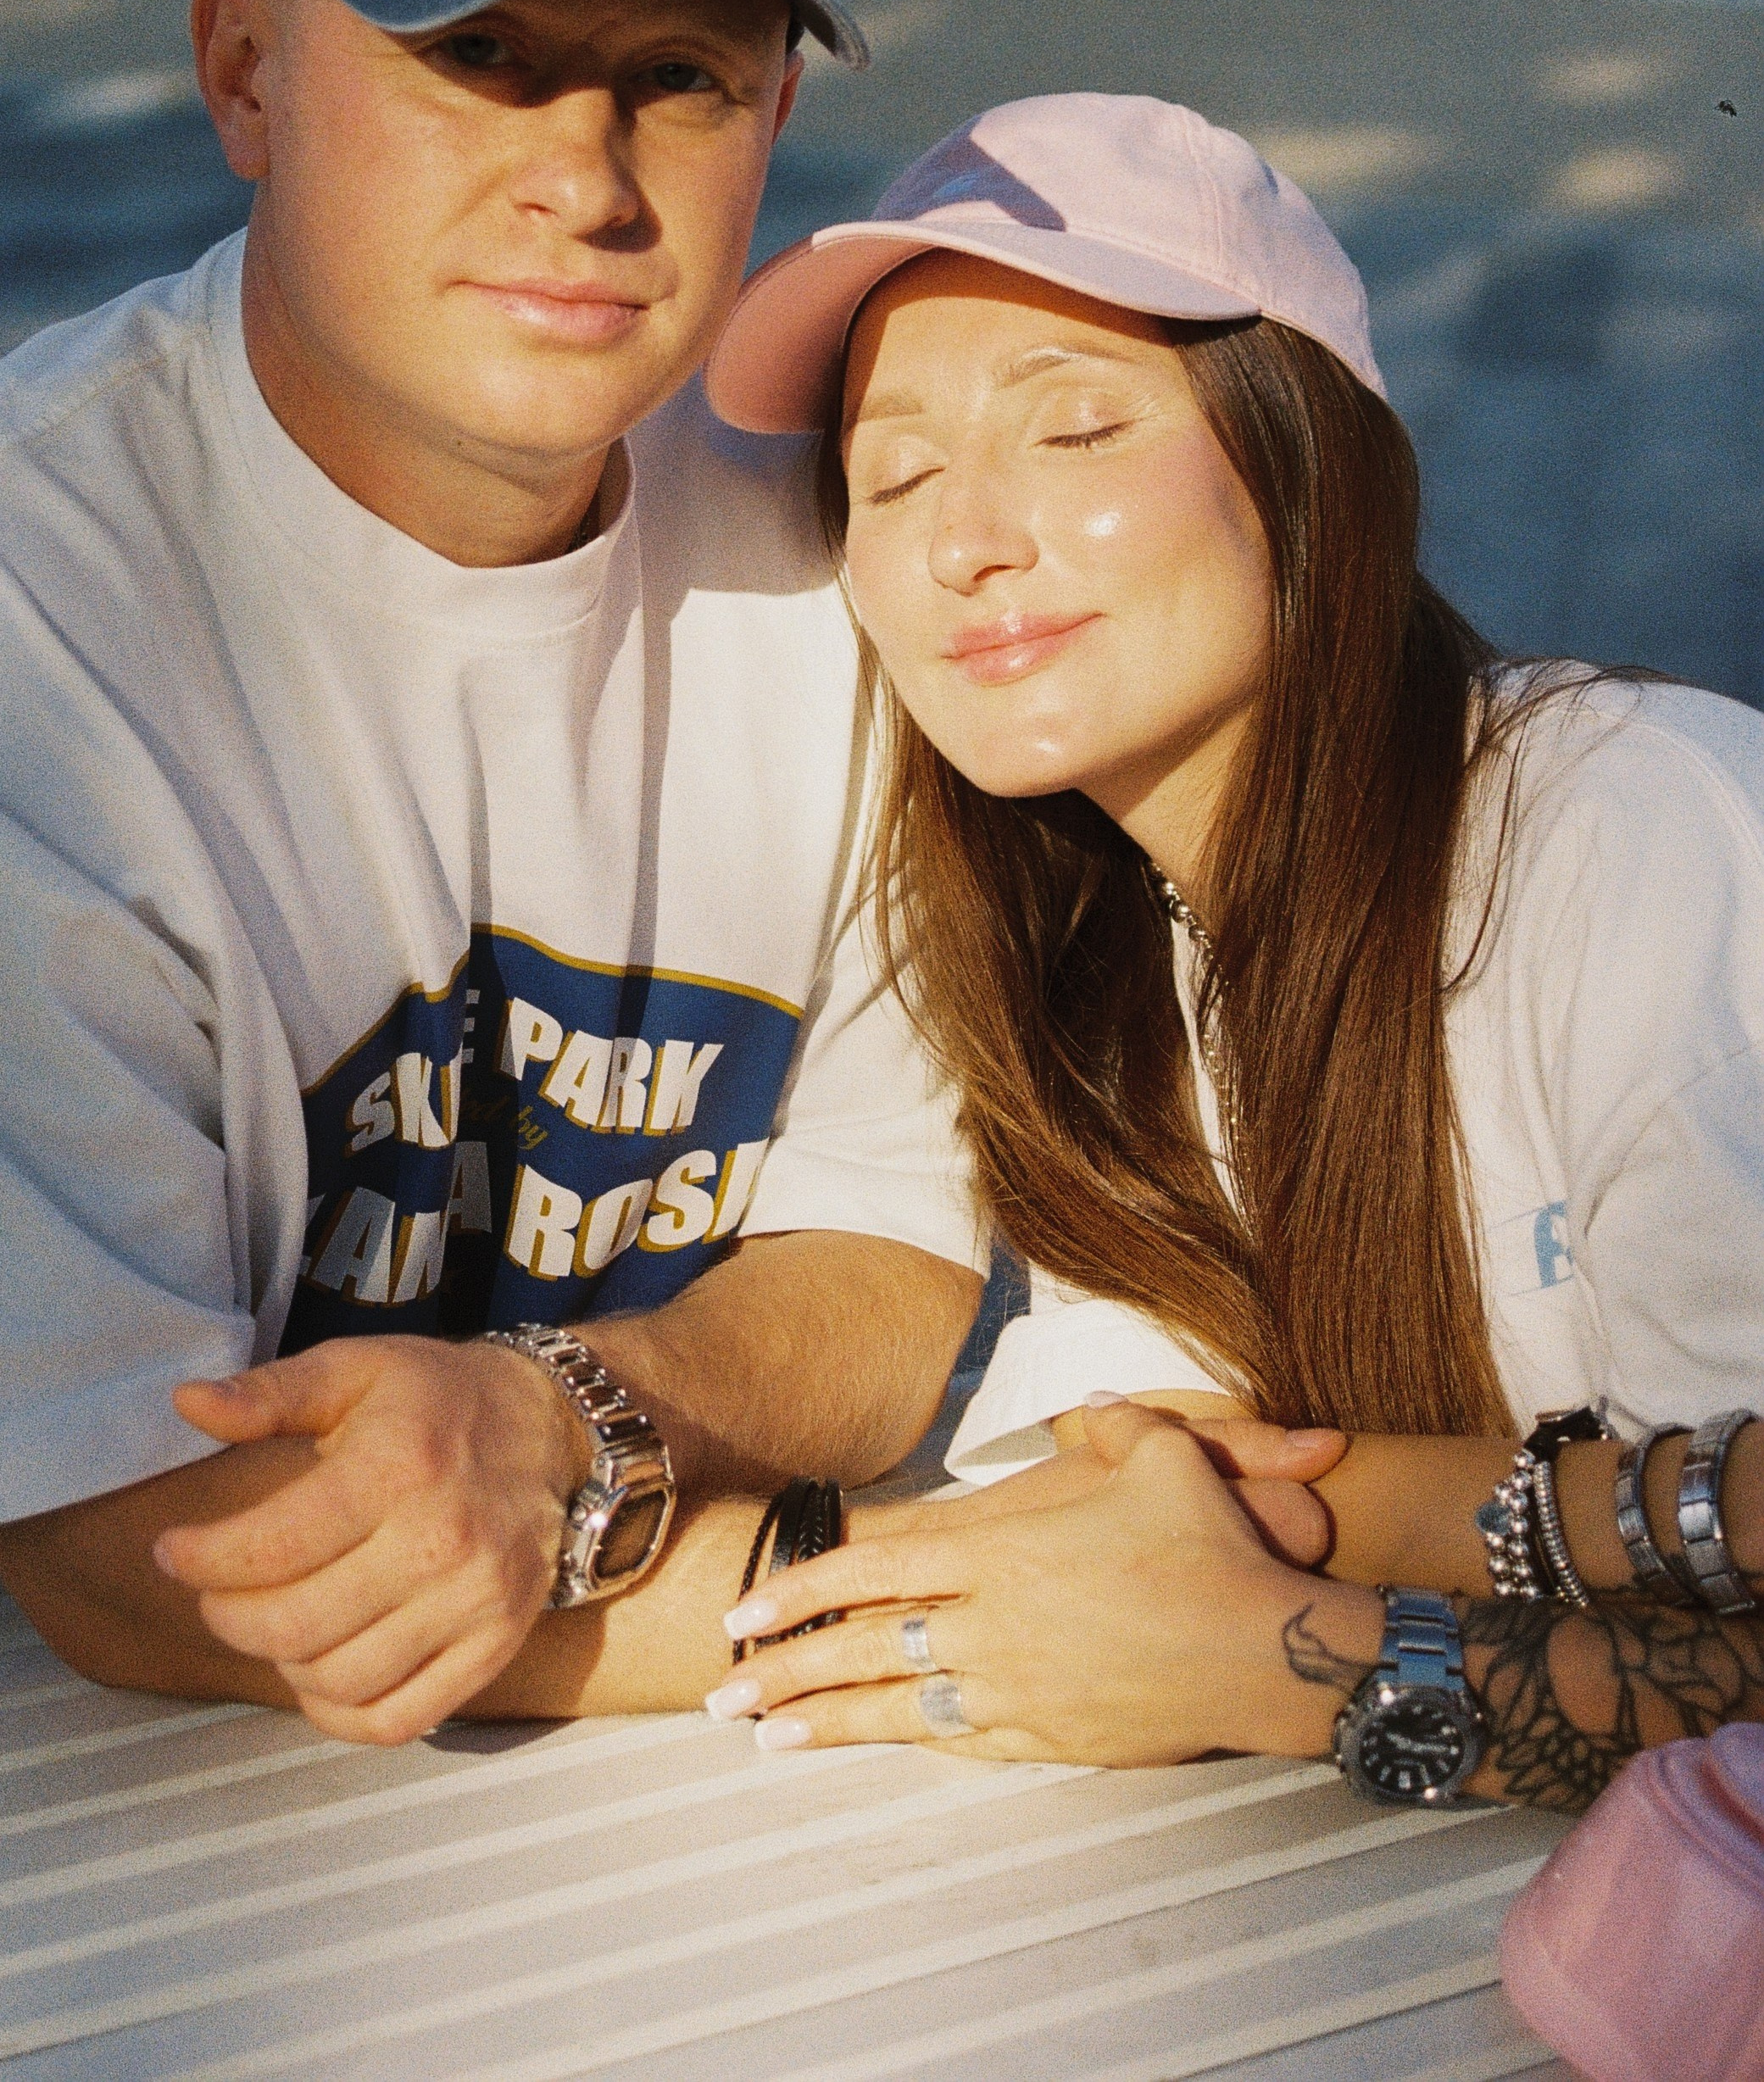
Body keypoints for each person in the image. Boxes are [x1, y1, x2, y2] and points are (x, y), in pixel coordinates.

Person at [0, 0, 986, 1729]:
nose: (585, 177)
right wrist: (957, 1605)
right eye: (476, 50)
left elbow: (893, 1275)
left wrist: (561, 1416)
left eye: (684, 74)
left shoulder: (844, 571)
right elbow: (149, 1565)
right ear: (238, 69)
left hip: (579, 1724)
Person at [677, 92, 1764, 1812]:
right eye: (892, 475)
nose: (968, 539)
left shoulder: (1638, 840)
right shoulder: (1106, 979)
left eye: (1076, 428)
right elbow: (1153, 1512)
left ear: (1300, 454)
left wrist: (1284, 1663)